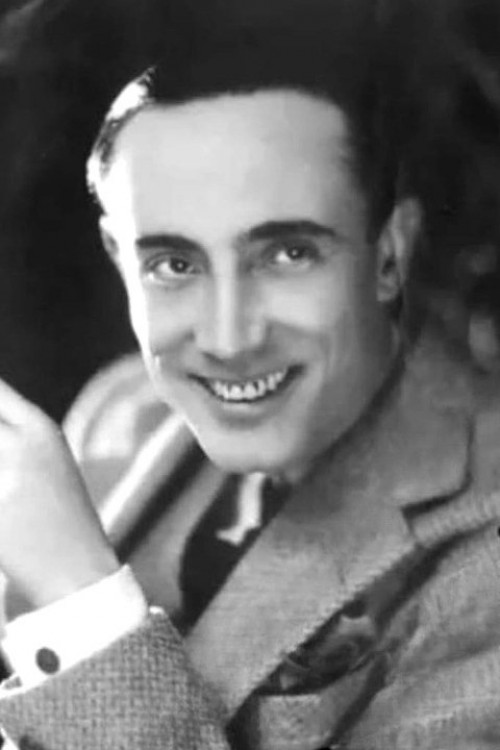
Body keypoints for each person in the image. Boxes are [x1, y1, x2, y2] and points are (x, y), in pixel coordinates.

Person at [1, 3, 500, 748]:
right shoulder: (119, 412)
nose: (229, 339)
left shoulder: (485, 559)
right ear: (117, 260)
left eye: (287, 254)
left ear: (390, 253)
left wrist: (80, 601)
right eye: (174, 264)